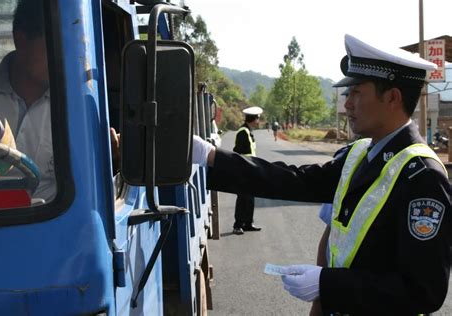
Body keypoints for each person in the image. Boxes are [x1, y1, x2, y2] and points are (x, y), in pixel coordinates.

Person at [192, 33, 451, 315]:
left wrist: (326, 284)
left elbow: (423, 292)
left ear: (392, 97)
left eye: (356, 93)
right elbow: (295, 181)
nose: (347, 104)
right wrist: (211, 157)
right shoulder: (360, 153)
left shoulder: (423, 177)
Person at [0, 0, 120, 203]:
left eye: (73, 50)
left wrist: (109, 162)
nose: (66, 59)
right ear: (21, 40)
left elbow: (90, 197)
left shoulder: (81, 106)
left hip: (53, 230)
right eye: (57, 46)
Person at [232, 106, 263, 235]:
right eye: (258, 119)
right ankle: (237, 225)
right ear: (254, 119)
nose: (259, 122)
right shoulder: (243, 132)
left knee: (250, 197)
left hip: (250, 169)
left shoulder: (248, 132)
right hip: (244, 169)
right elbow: (237, 152)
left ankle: (248, 223)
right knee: (242, 198)